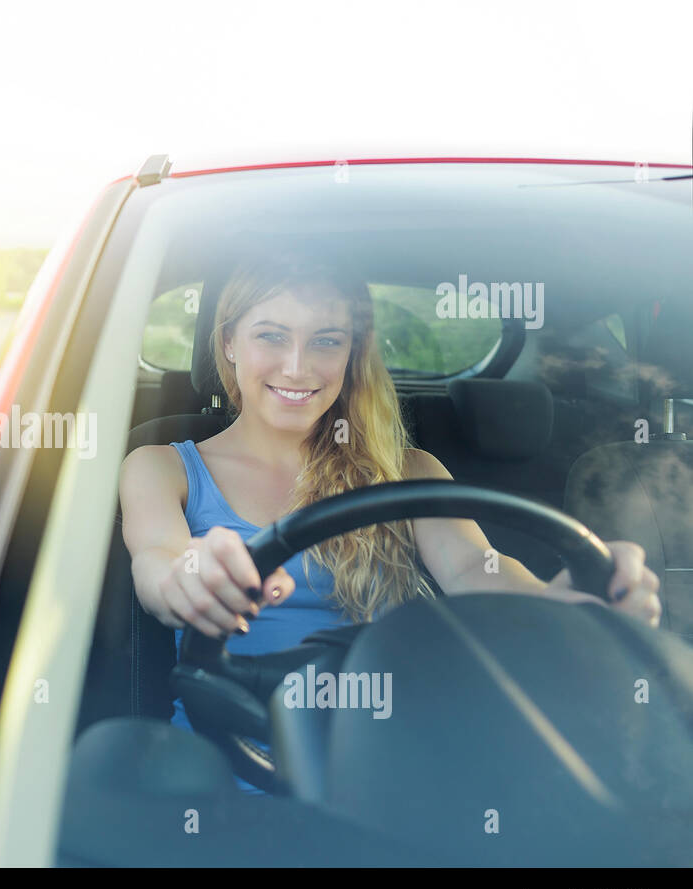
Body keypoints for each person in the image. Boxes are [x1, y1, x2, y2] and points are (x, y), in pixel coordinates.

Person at [118, 255, 663, 791]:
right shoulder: (162, 467)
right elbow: (158, 564)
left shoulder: (409, 470)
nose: (297, 366)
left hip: (390, 768)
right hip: (229, 767)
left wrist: (556, 601)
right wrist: (191, 578)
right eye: (271, 335)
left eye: (327, 340)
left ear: (354, 355)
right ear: (229, 342)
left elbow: (475, 566)